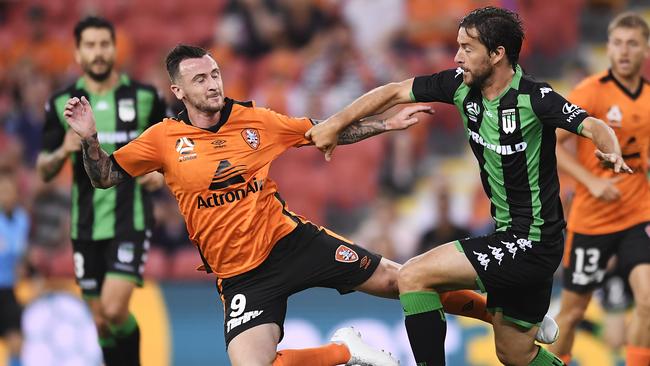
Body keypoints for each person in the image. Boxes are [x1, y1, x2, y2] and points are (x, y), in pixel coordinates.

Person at [60, 43, 557, 366]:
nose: (213, 85)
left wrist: (383, 124)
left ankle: (499, 314)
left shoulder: (255, 120)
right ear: (178, 90)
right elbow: (104, 176)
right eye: (200, 80)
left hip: (291, 241)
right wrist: (88, 139)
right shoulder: (163, 140)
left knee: (398, 279)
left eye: (215, 75)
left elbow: (324, 133)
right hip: (240, 276)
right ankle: (349, 352)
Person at [306, 6, 631, 366]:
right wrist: (335, 124)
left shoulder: (535, 98)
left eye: (468, 48)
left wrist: (610, 151)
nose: (458, 57)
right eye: (458, 46)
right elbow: (397, 91)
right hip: (513, 238)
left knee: (414, 275)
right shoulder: (460, 87)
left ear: (497, 54)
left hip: (532, 240)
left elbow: (593, 125)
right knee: (514, 354)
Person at [36, 16, 167, 366]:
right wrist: (63, 149)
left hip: (130, 218)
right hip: (86, 225)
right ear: (78, 53)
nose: (98, 52)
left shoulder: (144, 97)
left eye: (104, 44)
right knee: (102, 322)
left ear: (115, 48)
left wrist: (160, 174)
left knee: (113, 308)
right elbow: (43, 169)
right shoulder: (61, 103)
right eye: (90, 45)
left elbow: (170, 150)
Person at [548, 12, 650, 366]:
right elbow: (553, 143)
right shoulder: (590, 92)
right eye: (617, 43)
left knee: (648, 300)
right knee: (573, 312)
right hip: (592, 222)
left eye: (632, 43)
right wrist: (589, 180)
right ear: (608, 47)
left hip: (638, 216)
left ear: (645, 49)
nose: (624, 51)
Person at [0, 172, 28, 366]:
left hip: (8, 290)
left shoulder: (22, 220)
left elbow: (21, 256)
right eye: (2, 191)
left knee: (17, 343)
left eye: (9, 191)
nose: (5, 195)